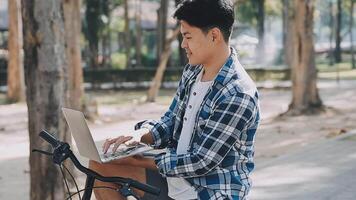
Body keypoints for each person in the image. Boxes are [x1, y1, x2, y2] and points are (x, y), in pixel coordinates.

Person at [89, 0, 260, 199]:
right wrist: (140, 137)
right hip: (176, 181)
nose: (183, 44)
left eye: (187, 36)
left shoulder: (237, 93)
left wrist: (140, 159)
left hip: (209, 192)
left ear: (214, 35)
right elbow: (171, 119)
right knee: (99, 166)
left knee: (122, 163)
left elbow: (201, 161)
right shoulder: (193, 70)